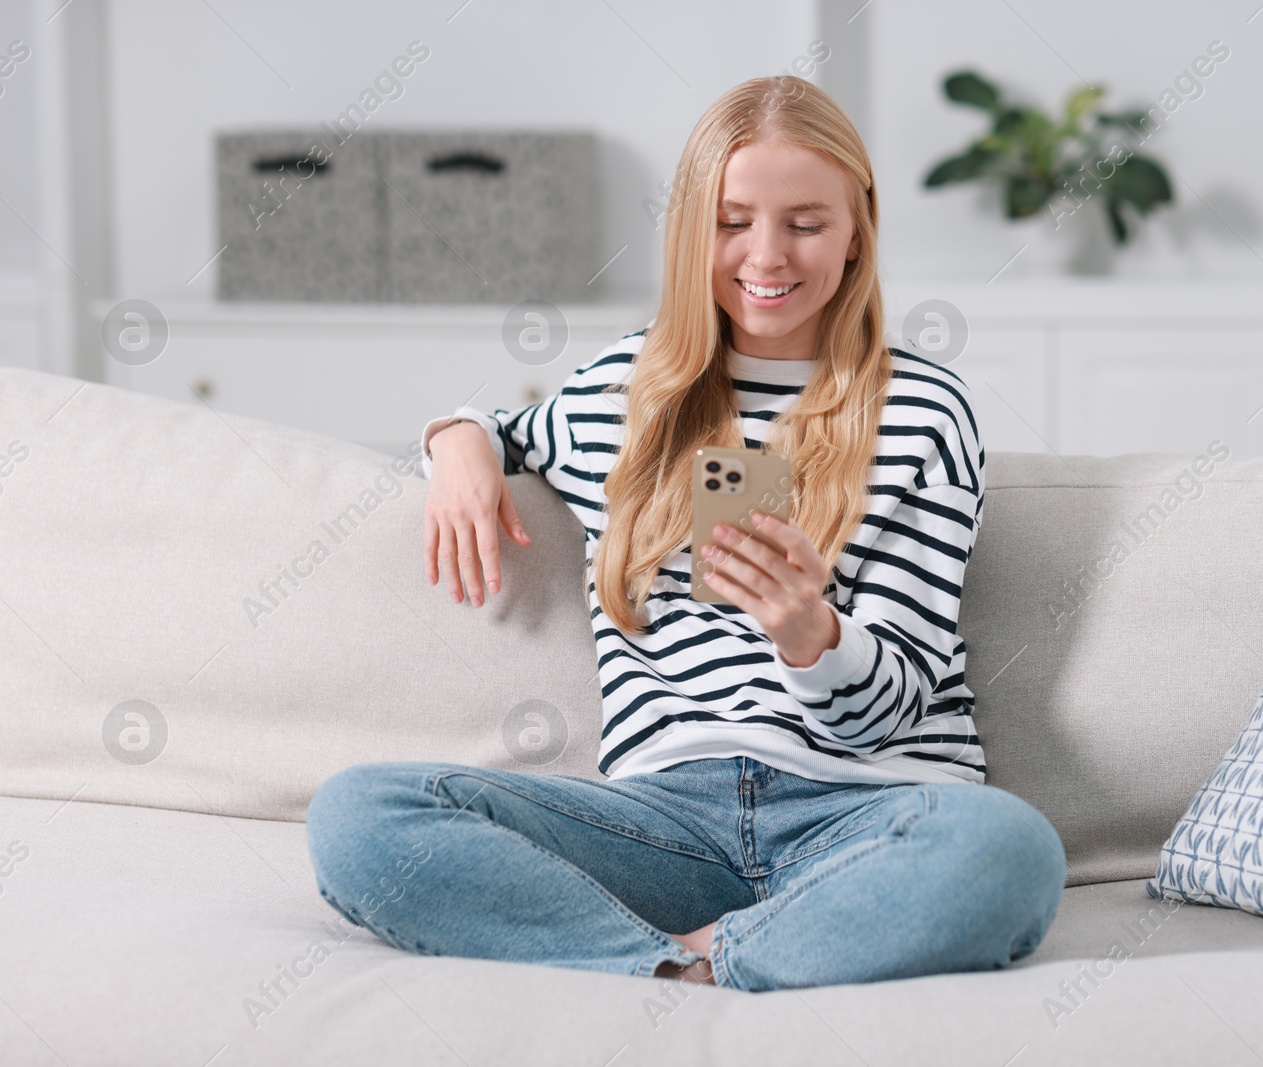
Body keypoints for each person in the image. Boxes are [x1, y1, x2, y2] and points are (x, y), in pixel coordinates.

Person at [305, 74, 1065, 993]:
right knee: (360, 814)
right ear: (688, 226)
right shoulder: (619, 394)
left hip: (871, 810)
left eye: (807, 223)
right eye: (732, 220)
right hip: (663, 822)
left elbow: (896, 703)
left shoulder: (925, 410)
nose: (767, 255)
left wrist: (810, 636)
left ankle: (716, 958)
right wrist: (456, 440)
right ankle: (670, 962)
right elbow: (502, 429)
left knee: (1010, 849)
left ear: (860, 226)